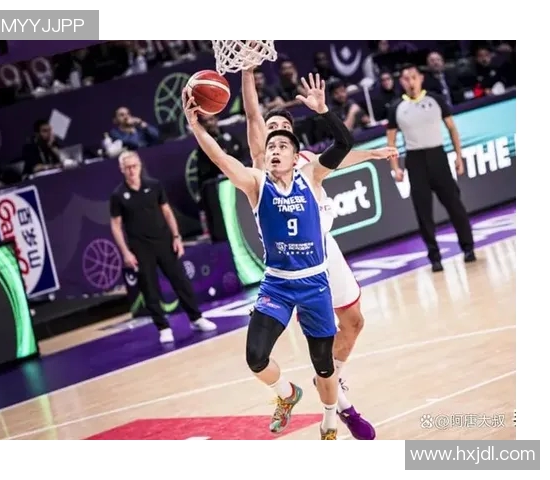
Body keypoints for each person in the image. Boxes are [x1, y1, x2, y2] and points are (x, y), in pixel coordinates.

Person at [183, 74, 355, 440]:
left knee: (324, 366)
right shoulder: (255, 183)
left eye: (282, 145)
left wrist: (324, 111)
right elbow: (220, 157)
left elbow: (344, 142)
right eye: (271, 145)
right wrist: (195, 126)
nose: (275, 149)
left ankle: (329, 419)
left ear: (296, 155)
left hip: (314, 283)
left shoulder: (312, 175)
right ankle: (287, 394)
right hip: (277, 285)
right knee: (255, 357)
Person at [242, 70, 397, 440]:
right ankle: (341, 406)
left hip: (327, 249)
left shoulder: (307, 161)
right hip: (295, 263)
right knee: (313, 347)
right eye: (270, 128)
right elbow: (251, 115)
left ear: (293, 139)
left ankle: (330, 380)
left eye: (282, 127)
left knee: (355, 322)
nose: (274, 132)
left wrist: (373, 153)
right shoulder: (263, 165)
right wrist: (247, 70)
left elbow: (340, 154)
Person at [109, 151, 217, 343]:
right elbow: (116, 226)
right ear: (121, 169)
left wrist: (176, 237)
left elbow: (167, 212)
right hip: (140, 247)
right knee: (149, 288)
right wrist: (125, 252)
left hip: (164, 241)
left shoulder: (154, 185)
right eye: (127, 167)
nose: (132, 170)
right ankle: (163, 327)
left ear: (140, 166)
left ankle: (196, 318)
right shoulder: (118, 195)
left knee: (180, 281)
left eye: (134, 166)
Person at [387, 64, 475, 272]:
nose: (410, 81)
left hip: (438, 157)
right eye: (406, 78)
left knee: (455, 206)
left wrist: (459, 156)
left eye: (413, 77)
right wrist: (395, 167)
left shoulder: (436, 100)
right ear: (402, 82)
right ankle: (434, 257)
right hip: (415, 161)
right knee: (423, 213)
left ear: (420, 78)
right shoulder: (396, 107)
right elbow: (391, 141)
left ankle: (468, 248)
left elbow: (452, 128)